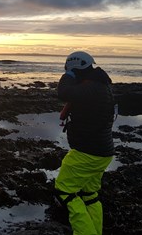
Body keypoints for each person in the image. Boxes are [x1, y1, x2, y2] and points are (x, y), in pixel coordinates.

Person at [55, 51, 115, 235]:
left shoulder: (91, 88)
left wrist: (67, 76)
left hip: (86, 153)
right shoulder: (100, 85)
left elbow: (63, 92)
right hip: (102, 153)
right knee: (89, 195)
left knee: (64, 192)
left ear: (76, 68)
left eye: (69, 70)